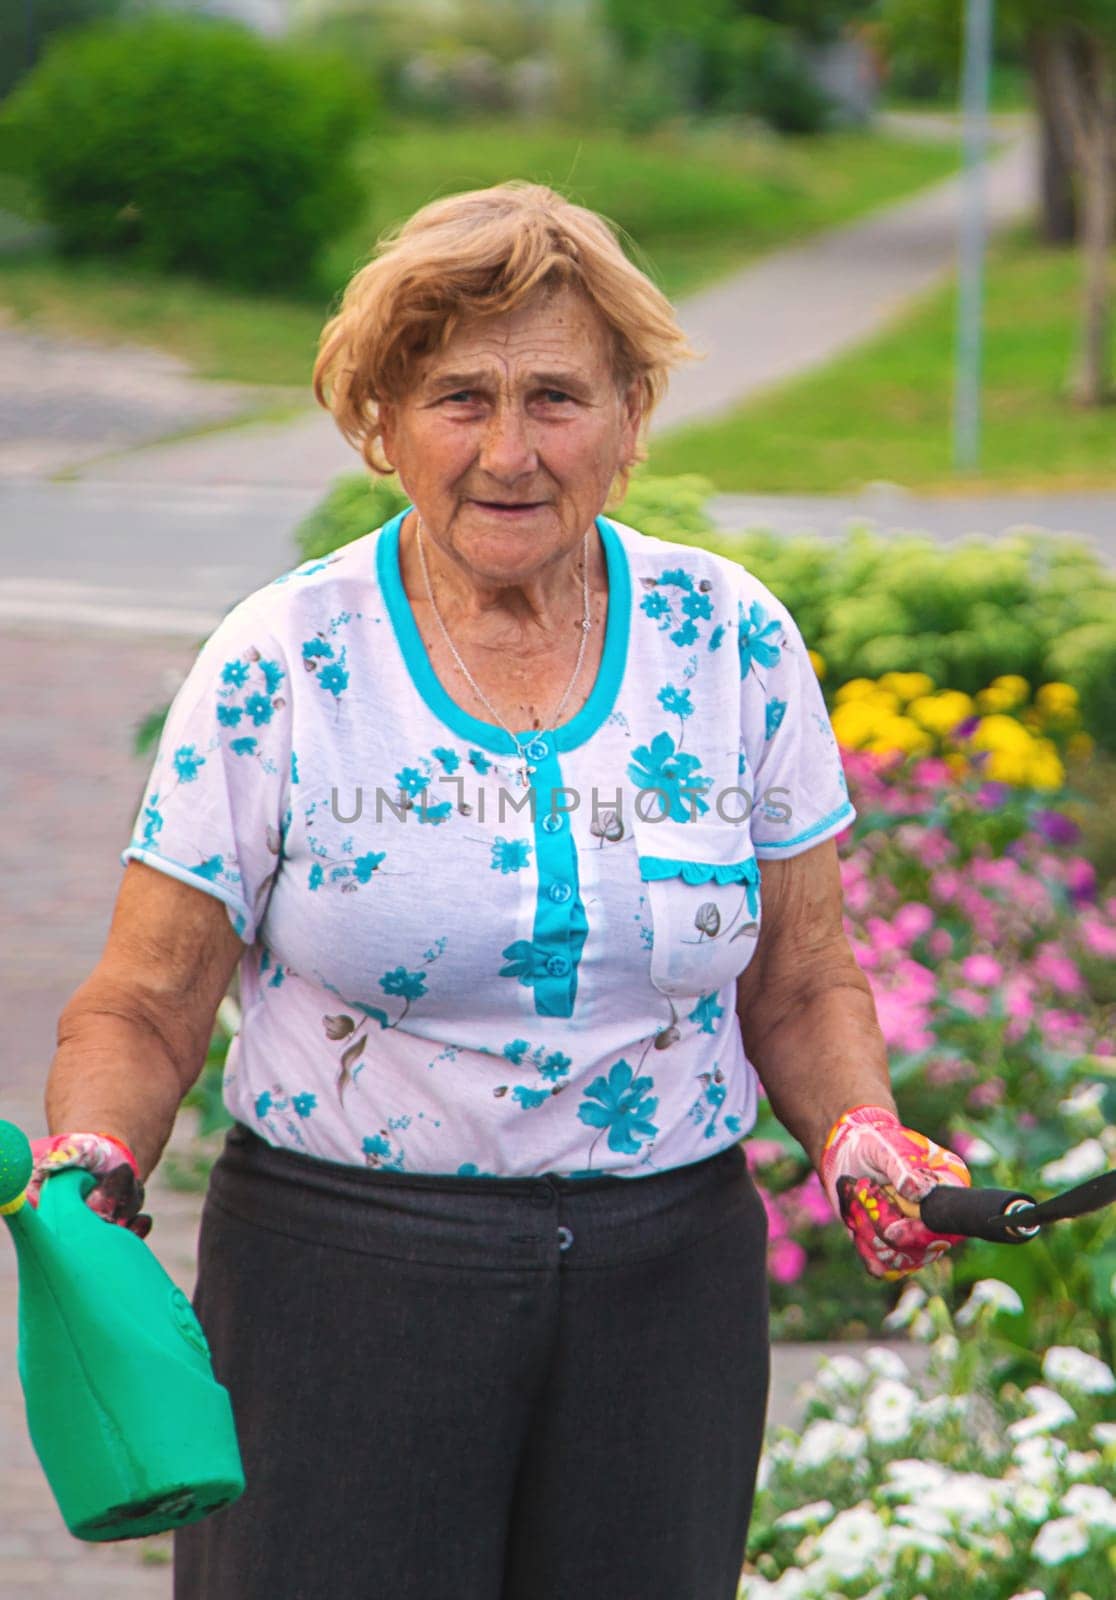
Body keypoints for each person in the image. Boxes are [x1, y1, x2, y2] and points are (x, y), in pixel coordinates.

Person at [34, 182, 971, 1600]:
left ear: (632, 413)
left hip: (667, 1283)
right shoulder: (284, 658)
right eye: (461, 398)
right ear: (385, 420)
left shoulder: (727, 642)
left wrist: (863, 1140)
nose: (511, 451)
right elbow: (150, 999)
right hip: (342, 1284)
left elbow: (802, 979)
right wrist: (93, 1167)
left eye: (557, 397)